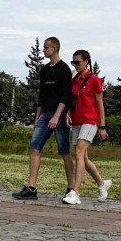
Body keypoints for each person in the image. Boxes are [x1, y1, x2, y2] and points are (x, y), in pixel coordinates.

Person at [11, 37, 74, 200]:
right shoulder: (44, 70)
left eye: (46, 48)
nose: (43, 50)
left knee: (64, 151)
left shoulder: (64, 69)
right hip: (44, 114)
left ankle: (71, 188)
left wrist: (57, 116)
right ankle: (31, 188)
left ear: (54, 49)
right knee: (34, 148)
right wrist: (37, 117)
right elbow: (41, 95)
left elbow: (66, 95)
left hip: (58, 114)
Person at [62, 50, 111, 205]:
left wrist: (102, 127)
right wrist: (68, 113)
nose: (75, 65)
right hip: (77, 120)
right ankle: (102, 183)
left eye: (77, 62)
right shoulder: (74, 80)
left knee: (79, 151)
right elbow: (73, 101)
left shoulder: (94, 80)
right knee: (83, 157)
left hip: (90, 121)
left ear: (86, 62)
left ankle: (75, 192)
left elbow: (100, 104)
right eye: (73, 63)